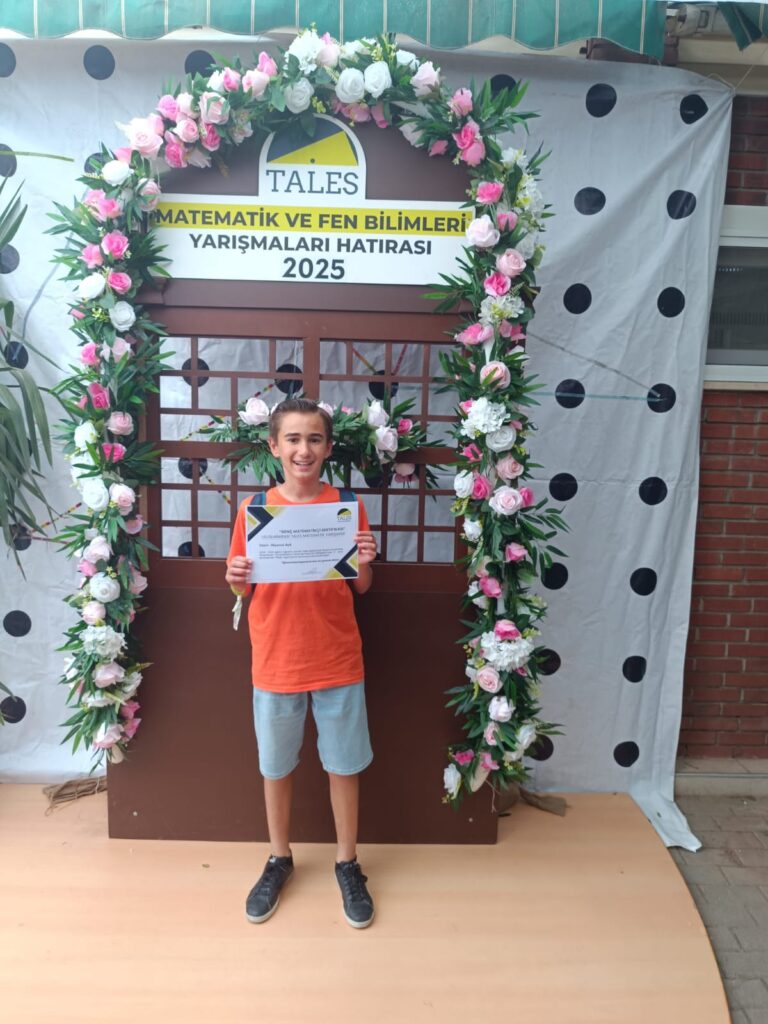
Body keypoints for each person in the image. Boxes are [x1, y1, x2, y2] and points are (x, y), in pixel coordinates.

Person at [225, 397, 378, 929]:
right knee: (275, 766)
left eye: (314, 439)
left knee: (344, 764)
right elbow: (242, 587)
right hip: (276, 658)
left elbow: (361, 587)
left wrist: (365, 561)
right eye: (292, 439)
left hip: (337, 656)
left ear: (328, 448)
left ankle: (347, 862)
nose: (303, 449)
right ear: (274, 446)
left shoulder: (346, 506)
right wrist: (235, 578)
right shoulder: (254, 511)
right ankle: (278, 858)